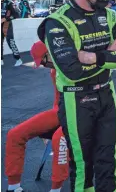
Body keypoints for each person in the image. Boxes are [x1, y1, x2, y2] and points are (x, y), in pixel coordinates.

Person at [37, 0, 116, 192]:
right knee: (83, 166)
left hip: (107, 95)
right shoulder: (57, 22)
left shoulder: (109, 16)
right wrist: (109, 54)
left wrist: (93, 57)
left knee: (109, 161)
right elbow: (73, 71)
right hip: (76, 100)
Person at [5, 41, 69, 192]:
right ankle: (13, 187)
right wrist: (46, 127)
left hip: (82, 114)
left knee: (59, 138)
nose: (44, 65)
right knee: (14, 134)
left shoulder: (76, 66)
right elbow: (57, 99)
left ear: (50, 54)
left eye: (43, 62)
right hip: (60, 112)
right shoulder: (54, 71)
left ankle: (56, 188)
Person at [1, 0, 22, 67]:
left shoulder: (9, 3)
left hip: (7, 25)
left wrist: (5, 19)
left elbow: (16, 15)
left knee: (11, 42)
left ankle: (18, 59)